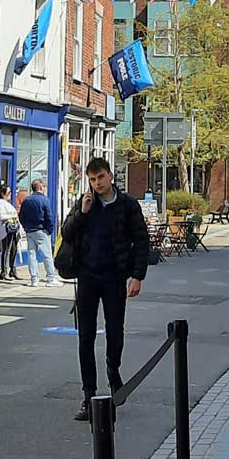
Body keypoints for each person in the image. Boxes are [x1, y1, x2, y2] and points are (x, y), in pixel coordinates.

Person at [56, 155, 149, 419]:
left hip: (114, 277)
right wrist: (82, 214)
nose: (97, 183)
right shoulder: (86, 204)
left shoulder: (128, 205)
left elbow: (141, 241)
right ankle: (88, 396)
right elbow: (67, 232)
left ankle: (113, 369)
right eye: (92, 179)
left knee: (114, 331)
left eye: (100, 177)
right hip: (87, 277)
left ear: (109, 176)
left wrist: (137, 276)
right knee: (85, 337)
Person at [18, 177, 55, 287]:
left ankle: (34, 279)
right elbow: (49, 217)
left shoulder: (26, 200)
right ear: (40, 187)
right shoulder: (44, 200)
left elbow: (21, 216)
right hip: (41, 230)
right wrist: (49, 230)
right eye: (43, 186)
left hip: (30, 231)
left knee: (31, 255)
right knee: (47, 255)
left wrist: (26, 227)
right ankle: (50, 278)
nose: (44, 188)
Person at [0, 182, 20, 282]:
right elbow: (0, 216)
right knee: (6, 250)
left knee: (14, 249)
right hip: (5, 230)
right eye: (8, 193)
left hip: (12, 229)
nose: (10, 194)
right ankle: (3, 272)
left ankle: (13, 270)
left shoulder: (6, 204)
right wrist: (12, 216)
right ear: (3, 194)